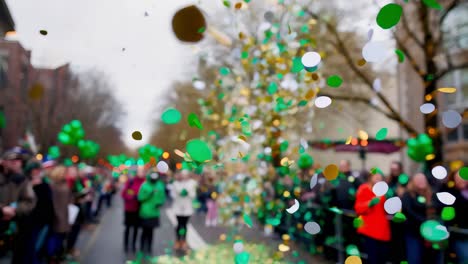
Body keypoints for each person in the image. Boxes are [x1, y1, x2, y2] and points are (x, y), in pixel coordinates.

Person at [0, 148, 36, 263]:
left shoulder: (22, 180)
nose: (16, 163)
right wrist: (2, 209)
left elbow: (30, 201)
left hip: (11, 225)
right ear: (4, 161)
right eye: (12, 160)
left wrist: (14, 209)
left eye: (19, 161)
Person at [402, 173, 442, 264]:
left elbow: (438, 208)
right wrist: (425, 221)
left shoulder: (431, 194)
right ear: (413, 182)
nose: (421, 181)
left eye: (423, 179)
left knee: (430, 259)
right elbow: (408, 211)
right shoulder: (408, 195)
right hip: (414, 232)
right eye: (418, 179)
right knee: (415, 259)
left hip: (430, 234)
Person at [354, 168, 390, 264]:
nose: (378, 176)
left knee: (383, 257)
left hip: (382, 229)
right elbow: (358, 208)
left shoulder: (385, 191)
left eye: (380, 175)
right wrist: (369, 203)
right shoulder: (364, 188)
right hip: (369, 229)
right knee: (373, 258)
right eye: (375, 175)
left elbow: (387, 210)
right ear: (370, 177)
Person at [21, 159, 54, 264]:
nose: (36, 172)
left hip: (42, 220)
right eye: (33, 170)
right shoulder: (25, 183)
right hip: (28, 220)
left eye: (37, 170)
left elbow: (48, 202)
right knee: (28, 247)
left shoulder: (45, 183)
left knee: (36, 246)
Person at [442, 169, 468, 264]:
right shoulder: (450, 194)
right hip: (460, 234)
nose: (461, 180)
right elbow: (447, 217)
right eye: (458, 178)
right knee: (465, 258)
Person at [138, 169, 166, 254]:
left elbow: (162, 197)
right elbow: (140, 198)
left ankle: (149, 247)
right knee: (144, 231)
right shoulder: (144, 185)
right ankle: (142, 247)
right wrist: (149, 194)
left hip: (154, 213)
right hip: (145, 212)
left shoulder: (160, 186)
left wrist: (160, 203)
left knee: (151, 232)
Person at [48, 165, 72, 262]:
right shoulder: (53, 184)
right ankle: (51, 256)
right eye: (62, 173)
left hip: (65, 211)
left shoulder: (65, 183)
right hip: (56, 213)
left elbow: (68, 195)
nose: (64, 174)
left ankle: (58, 254)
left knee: (61, 236)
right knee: (54, 236)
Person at [171, 170, 197, 250]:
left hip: (187, 208)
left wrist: (188, 192)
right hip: (177, 207)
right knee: (179, 224)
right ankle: (178, 240)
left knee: (185, 225)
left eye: (186, 175)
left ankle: (184, 241)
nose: (184, 176)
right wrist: (179, 193)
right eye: (183, 175)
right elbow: (172, 195)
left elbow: (193, 195)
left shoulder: (192, 183)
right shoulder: (175, 183)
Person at [121, 167, 145, 252]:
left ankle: (133, 245)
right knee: (128, 228)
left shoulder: (145, 182)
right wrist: (132, 197)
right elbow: (123, 194)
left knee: (136, 228)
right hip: (129, 209)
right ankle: (126, 245)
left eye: (143, 171)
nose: (141, 173)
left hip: (138, 209)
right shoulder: (130, 182)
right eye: (140, 171)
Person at [387, 161, 407, 263]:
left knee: (400, 244)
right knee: (392, 243)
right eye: (392, 169)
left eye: (396, 169)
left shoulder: (404, 181)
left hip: (401, 218)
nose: (394, 171)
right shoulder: (388, 182)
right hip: (390, 218)